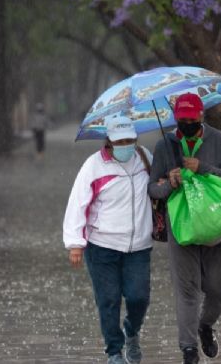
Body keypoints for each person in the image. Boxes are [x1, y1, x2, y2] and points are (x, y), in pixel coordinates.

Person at [148, 93, 221, 364]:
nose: (186, 123)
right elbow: (152, 188)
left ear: (201, 116)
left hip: (214, 225)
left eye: (191, 118)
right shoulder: (165, 144)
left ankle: (205, 326)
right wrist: (169, 183)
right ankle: (188, 349)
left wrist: (204, 168)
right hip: (182, 227)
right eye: (181, 119)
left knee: (220, 287)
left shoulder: (218, 140)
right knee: (187, 290)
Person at [62, 115, 153, 364]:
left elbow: (158, 187)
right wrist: (75, 243)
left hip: (139, 246)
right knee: (108, 300)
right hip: (102, 247)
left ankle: (132, 332)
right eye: (120, 141)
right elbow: (78, 203)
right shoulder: (94, 166)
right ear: (109, 142)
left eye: (130, 140)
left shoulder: (145, 159)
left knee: (139, 297)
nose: (126, 145)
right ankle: (114, 351)